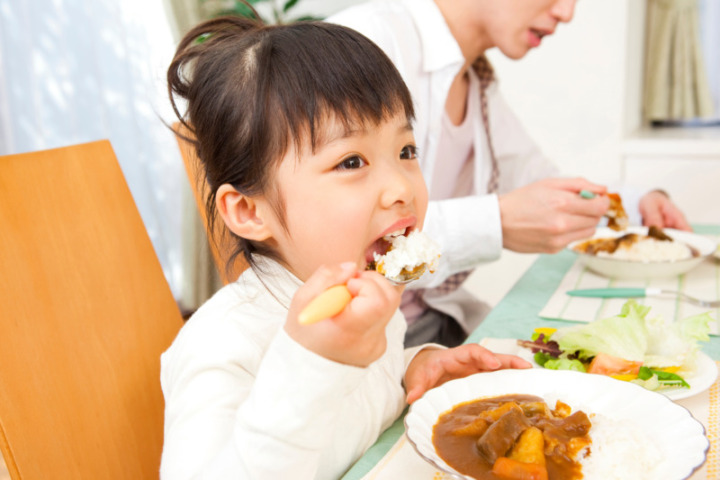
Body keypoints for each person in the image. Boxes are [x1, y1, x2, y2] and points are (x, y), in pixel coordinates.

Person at [161, 15, 531, 480]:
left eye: (406, 151)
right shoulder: (223, 343)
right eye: (351, 161)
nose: (401, 186)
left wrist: (413, 367)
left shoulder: (364, 291)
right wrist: (312, 361)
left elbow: (356, 407)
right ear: (250, 212)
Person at [328, 0, 692, 347]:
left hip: (435, 322)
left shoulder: (476, 82)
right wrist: (496, 221)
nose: (566, 12)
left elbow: (536, 177)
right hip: (366, 341)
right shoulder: (361, 43)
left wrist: (636, 201)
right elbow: (334, 236)